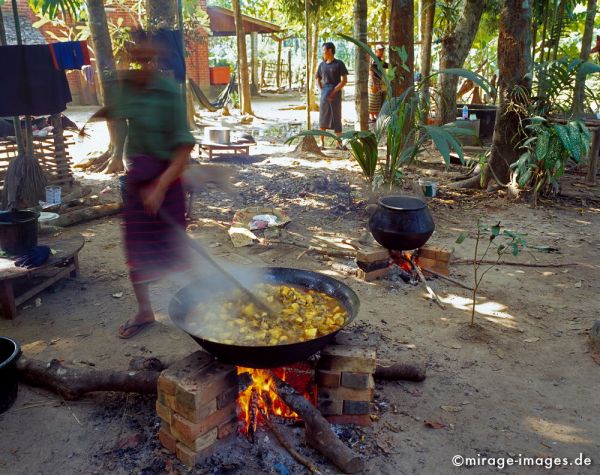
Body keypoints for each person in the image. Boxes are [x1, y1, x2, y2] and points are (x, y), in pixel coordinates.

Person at [89, 32, 196, 338]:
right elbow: (117, 111)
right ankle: (146, 312)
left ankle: (197, 306)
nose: (143, 64)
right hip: (138, 183)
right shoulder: (127, 89)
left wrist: (160, 188)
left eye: (149, 59)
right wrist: (94, 118)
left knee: (174, 251)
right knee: (137, 252)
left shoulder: (169, 95)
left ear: (158, 60)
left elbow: (183, 152)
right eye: (137, 58)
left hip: (166, 181)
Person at [316, 42, 348, 149]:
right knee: (323, 118)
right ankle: (321, 143)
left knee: (336, 117)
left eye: (324, 50)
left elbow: (344, 80)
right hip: (324, 94)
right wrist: (322, 91)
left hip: (336, 94)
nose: (323, 52)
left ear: (330, 50)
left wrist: (334, 91)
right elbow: (318, 79)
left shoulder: (339, 64)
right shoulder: (321, 65)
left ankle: (338, 143)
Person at [368, 44, 388, 122]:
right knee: (373, 99)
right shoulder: (374, 60)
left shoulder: (380, 60)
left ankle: (375, 116)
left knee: (377, 99)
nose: (381, 52)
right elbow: (371, 71)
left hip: (378, 81)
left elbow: (386, 65)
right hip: (374, 81)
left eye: (382, 50)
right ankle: (372, 116)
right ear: (376, 51)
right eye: (380, 50)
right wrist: (373, 83)